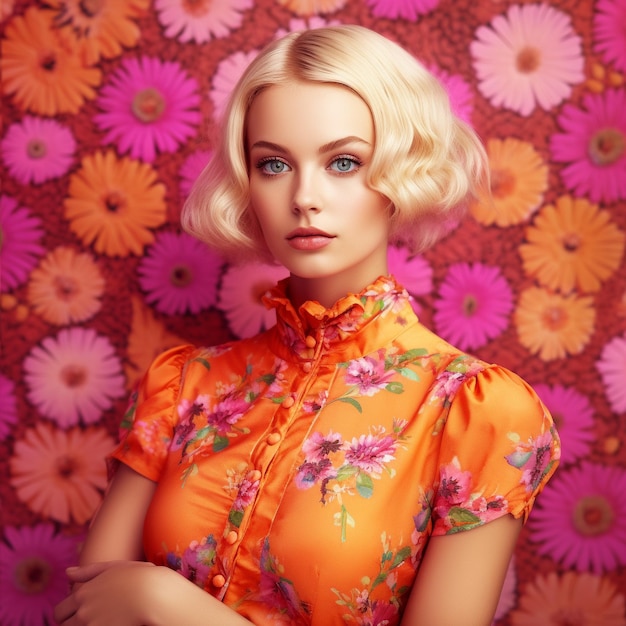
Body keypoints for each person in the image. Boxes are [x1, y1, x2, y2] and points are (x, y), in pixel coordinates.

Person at [54, 25, 560, 626]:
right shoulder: (183, 387)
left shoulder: (472, 411)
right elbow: (83, 614)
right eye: (273, 165)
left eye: (344, 162)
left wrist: (167, 606)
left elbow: (134, 603)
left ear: (401, 170)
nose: (305, 197)